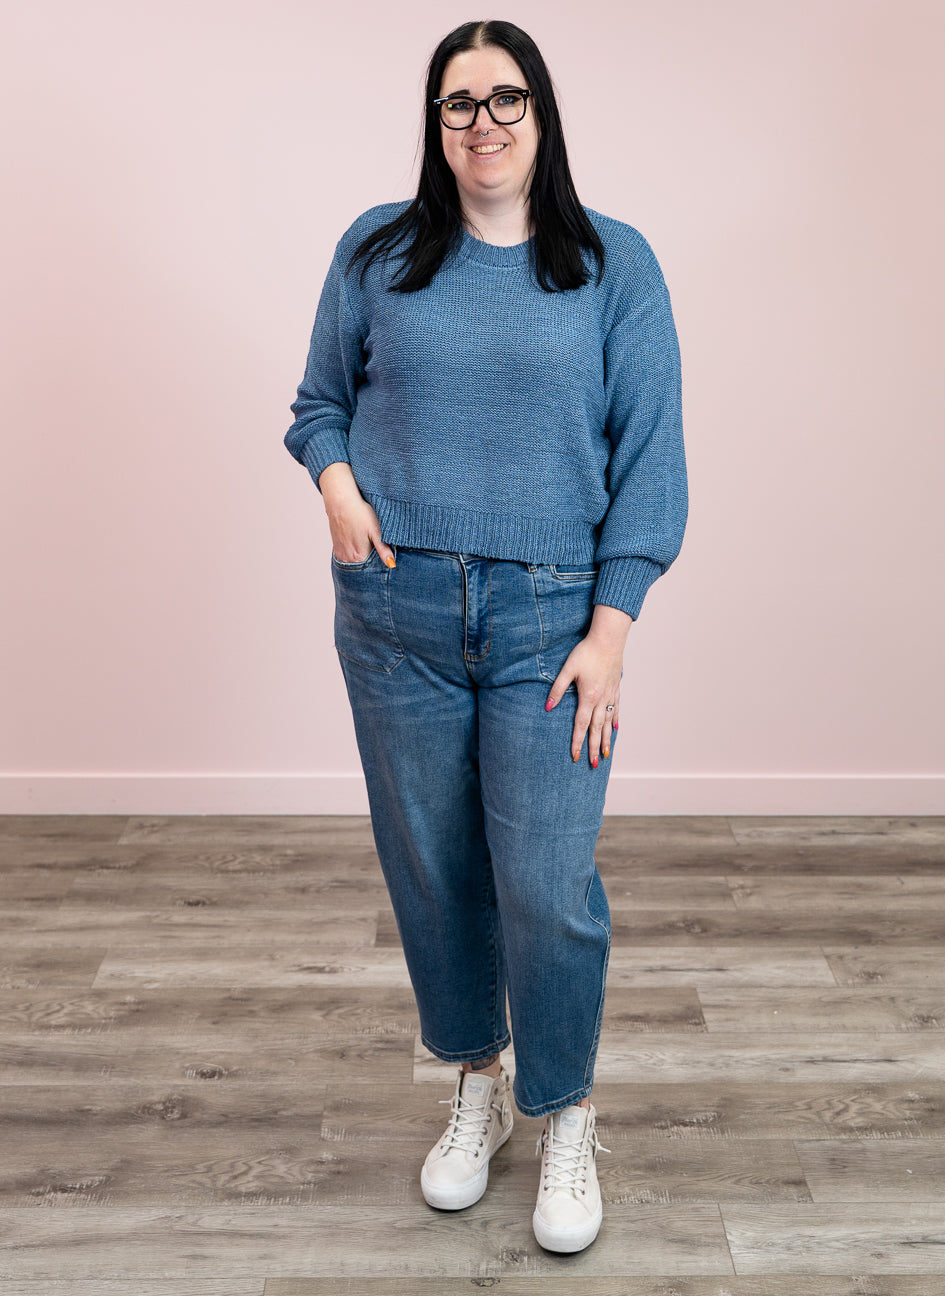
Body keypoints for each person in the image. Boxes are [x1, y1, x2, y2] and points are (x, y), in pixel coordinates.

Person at [283, 19, 687, 1253]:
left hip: (551, 622)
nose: (484, 123)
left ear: (542, 113)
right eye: (459, 104)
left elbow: (652, 462)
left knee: (546, 882)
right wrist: (338, 490)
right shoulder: (378, 249)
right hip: (395, 609)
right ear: (436, 124)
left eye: (507, 98)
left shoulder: (613, 265)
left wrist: (612, 630)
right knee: (435, 867)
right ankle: (480, 1084)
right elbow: (319, 407)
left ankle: (566, 1110)